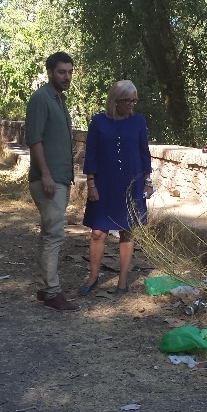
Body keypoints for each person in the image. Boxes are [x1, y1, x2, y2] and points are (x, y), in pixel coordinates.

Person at [79, 80, 154, 295]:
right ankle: (93, 276)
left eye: (133, 100)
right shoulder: (98, 122)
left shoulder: (138, 122)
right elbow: (91, 154)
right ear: (115, 100)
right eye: (126, 100)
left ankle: (122, 281)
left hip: (132, 182)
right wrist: (91, 183)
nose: (131, 104)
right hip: (104, 183)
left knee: (128, 231)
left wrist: (148, 183)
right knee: (97, 232)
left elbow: (143, 152)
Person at [25, 52, 79, 311]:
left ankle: (44, 287)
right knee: (54, 235)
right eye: (61, 72)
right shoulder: (41, 99)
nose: (66, 76)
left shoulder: (59, 100)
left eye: (69, 72)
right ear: (50, 72)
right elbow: (34, 139)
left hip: (60, 178)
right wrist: (46, 174)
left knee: (50, 234)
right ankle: (51, 292)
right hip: (48, 180)